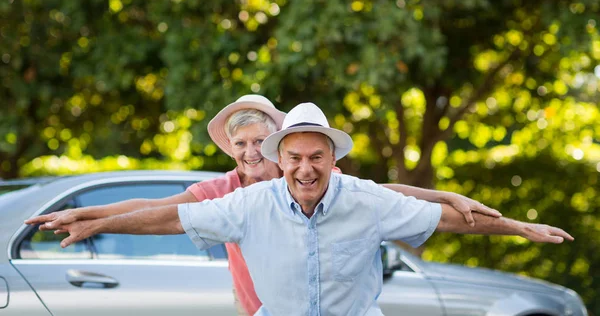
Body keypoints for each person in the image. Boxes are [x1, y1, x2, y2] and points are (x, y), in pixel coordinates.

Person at [27, 99, 509, 316]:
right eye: (242, 142)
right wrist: (88, 216)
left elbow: (382, 194)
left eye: (260, 140)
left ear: (277, 148)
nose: (251, 150)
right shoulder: (225, 191)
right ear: (232, 148)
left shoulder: (310, 178)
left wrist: (446, 196)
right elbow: (159, 208)